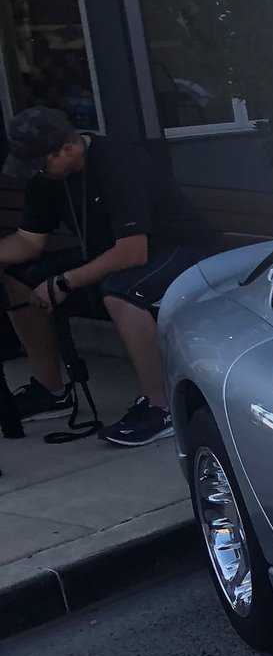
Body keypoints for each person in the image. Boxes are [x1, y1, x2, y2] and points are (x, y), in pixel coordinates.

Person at [0, 107, 220, 446]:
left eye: (41, 165)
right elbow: (29, 242)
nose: (36, 174)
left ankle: (159, 407)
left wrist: (64, 281)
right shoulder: (46, 177)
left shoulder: (118, 163)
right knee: (18, 280)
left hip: (182, 250)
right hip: (114, 252)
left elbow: (134, 251)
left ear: (68, 149)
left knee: (121, 293)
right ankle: (51, 391)